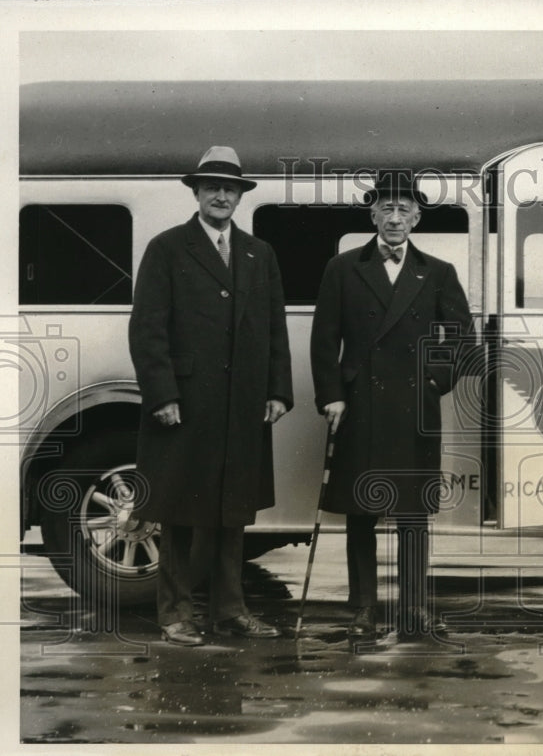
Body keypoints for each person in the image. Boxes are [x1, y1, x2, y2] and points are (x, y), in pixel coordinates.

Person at [129, 146, 294, 646]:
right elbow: (147, 329)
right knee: (178, 511)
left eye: (230, 189)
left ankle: (230, 611)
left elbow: (273, 329)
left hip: (241, 404)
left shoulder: (257, 254)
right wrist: (162, 394)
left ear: (240, 196)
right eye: (212, 188)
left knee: (232, 509)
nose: (221, 196)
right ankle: (176, 614)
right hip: (184, 404)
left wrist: (277, 390)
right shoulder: (167, 248)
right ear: (197, 193)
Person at [310, 171, 475, 639]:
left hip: (413, 407)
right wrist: (333, 396)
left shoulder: (438, 272)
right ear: (373, 214)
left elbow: (462, 335)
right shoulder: (342, 268)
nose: (395, 218)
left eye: (404, 210)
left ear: (417, 217)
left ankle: (414, 608)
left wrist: (433, 380)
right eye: (387, 208)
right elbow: (324, 340)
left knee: (412, 513)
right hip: (359, 403)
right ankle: (362, 608)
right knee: (361, 511)